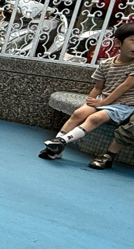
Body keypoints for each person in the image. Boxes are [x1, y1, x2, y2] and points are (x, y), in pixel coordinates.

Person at [40, 22, 134, 160]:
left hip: (123, 105)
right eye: (133, 41)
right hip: (104, 100)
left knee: (95, 118)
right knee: (79, 113)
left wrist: (103, 103)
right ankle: (55, 148)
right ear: (118, 43)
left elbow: (124, 87)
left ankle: (62, 141)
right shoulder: (106, 63)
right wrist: (89, 103)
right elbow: (98, 87)